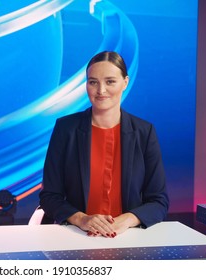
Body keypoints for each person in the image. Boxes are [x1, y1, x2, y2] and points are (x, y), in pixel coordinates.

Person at [39, 51, 169, 237]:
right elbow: (49, 196)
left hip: (128, 237)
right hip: (76, 235)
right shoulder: (65, 129)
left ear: (125, 82)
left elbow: (159, 201)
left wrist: (127, 220)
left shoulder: (144, 132)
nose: (101, 90)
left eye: (110, 81)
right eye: (93, 82)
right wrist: (82, 219)